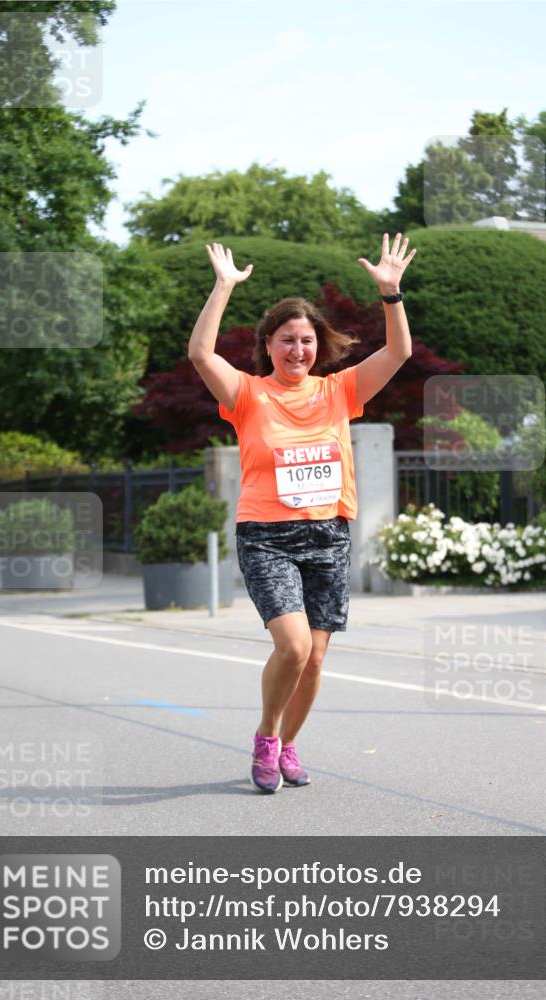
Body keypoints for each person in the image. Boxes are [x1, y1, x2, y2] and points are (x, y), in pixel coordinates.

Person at [188, 233, 416, 793]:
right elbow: (199, 353)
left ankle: (289, 745)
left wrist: (391, 295)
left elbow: (399, 354)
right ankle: (267, 736)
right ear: (268, 345)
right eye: (287, 340)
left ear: (318, 346)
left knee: (314, 660)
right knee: (290, 646)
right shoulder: (247, 394)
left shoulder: (339, 392)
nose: (297, 350)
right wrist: (223, 289)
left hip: (328, 534)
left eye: (306, 341)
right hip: (266, 535)